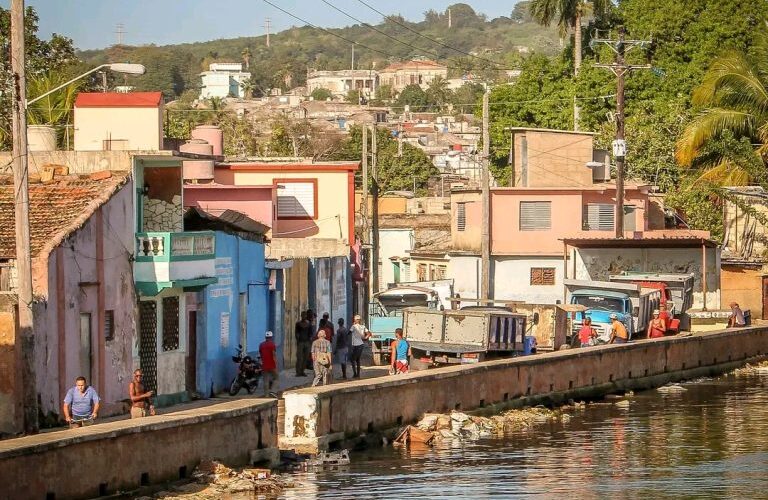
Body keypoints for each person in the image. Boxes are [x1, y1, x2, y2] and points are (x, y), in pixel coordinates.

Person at [259, 331, 279, 397]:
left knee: (265, 380)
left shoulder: (261, 345)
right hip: (272, 365)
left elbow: (260, 354)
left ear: (265, 337)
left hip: (264, 365)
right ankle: (273, 391)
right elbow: (274, 355)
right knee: (276, 378)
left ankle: (266, 395)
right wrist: (276, 363)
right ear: (271, 337)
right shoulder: (272, 345)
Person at [295, 311, 312, 376]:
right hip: (301, 342)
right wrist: (297, 340)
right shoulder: (298, 324)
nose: (304, 317)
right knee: (299, 358)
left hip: (307, 342)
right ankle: (298, 372)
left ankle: (302, 371)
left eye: (305, 315)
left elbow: (310, 333)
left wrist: (310, 341)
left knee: (306, 358)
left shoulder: (309, 324)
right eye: (303, 315)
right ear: (301, 316)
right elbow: (296, 333)